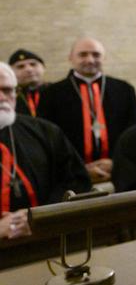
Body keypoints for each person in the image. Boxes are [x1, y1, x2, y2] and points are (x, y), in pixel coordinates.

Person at [0, 63, 91, 239]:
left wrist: (41, 216)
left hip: (48, 237)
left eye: (8, 90)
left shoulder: (45, 131)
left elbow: (77, 182)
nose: (2, 97)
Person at [36, 37, 136, 183]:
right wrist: (80, 167)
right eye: (83, 54)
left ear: (104, 58)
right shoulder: (51, 94)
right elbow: (49, 139)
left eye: (96, 54)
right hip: (71, 175)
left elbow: (134, 130)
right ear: (70, 58)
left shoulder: (124, 89)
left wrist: (116, 162)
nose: (90, 60)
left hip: (120, 171)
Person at [9, 49, 48, 117]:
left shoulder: (57, 91)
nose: (29, 69)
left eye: (33, 64)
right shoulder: (8, 96)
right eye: (21, 67)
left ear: (44, 67)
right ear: (11, 72)